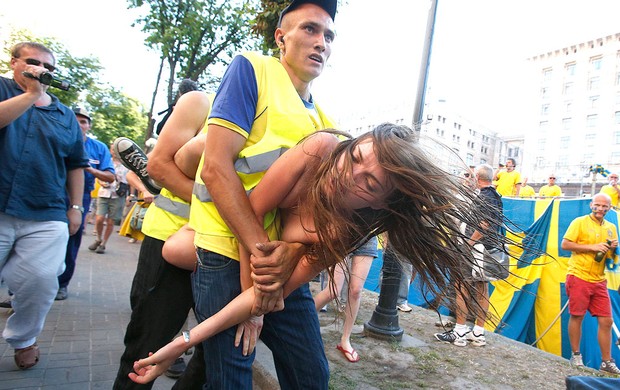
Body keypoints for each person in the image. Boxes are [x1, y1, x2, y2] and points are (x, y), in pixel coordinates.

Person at [128, 124, 499, 384]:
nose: (349, 174)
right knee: (194, 166)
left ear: (383, 203)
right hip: (231, 223)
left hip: (263, 263)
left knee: (312, 374)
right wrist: (253, 307)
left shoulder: (344, 229)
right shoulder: (320, 148)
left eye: (369, 183)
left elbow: (274, 292)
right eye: (354, 157)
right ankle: (155, 174)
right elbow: (250, 215)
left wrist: (189, 338)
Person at [187, 1, 338, 388]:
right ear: (280, 37)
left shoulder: (324, 122)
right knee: (230, 376)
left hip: (277, 262)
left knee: (311, 375)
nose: (321, 42)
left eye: (328, 35)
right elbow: (217, 167)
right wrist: (260, 268)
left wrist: (284, 260)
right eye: (309, 29)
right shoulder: (253, 69)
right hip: (225, 252)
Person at [112, 88, 212, 390]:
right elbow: (159, 166)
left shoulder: (280, 124)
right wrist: (227, 209)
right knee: (145, 350)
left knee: (216, 354)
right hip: (169, 237)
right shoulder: (200, 103)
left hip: (226, 250)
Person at [0, 41, 89, 369]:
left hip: (46, 211)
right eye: (33, 63)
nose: (41, 70)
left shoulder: (65, 116)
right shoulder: (3, 88)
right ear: (14, 63)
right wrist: (29, 95)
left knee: (41, 279)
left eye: (48, 68)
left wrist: (76, 208)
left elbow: (75, 164)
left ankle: (24, 337)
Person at [434, 164, 503, 347]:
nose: (469, 178)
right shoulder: (494, 195)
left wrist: (468, 243)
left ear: (478, 178)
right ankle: (478, 333)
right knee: (482, 289)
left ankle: (459, 332)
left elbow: (484, 224)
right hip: (485, 250)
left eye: (472, 176)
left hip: (475, 250)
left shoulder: (485, 196)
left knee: (461, 286)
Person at [55, 107, 115, 301]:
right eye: (75, 119)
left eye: (83, 121)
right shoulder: (54, 137)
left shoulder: (98, 148)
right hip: (51, 195)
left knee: (71, 240)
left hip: (80, 197)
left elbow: (110, 175)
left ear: (89, 126)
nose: (79, 124)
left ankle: (61, 284)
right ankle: (20, 290)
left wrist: (87, 168)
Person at [561, 192, 620, 374]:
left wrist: (613, 249)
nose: (601, 209)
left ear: (610, 208)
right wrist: (592, 247)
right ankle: (576, 354)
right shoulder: (579, 222)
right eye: (598, 205)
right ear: (591, 205)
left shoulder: (611, 227)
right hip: (578, 275)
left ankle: (606, 361)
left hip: (599, 279)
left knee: (607, 320)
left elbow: (609, 258)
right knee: (577, 316)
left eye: (605, 206)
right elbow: (565, 245)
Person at [313, 236, 378, 362]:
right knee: (333, 290)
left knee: (356, 291)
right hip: (344, 231)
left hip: (367, 235)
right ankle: (299, 321)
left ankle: (345, 340)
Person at [88, 147, 128, 254]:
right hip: (104, 193)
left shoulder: (126, 164)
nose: (115, 152)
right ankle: (98, 238)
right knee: (100, 218)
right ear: (111, 151)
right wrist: (101, 182)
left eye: (117, 150)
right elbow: (98, 173)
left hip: (118, 195)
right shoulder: (106, 160)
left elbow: (130, 179)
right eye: (113, 150)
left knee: (111, 221)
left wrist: (131, 195)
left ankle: (103, 244)